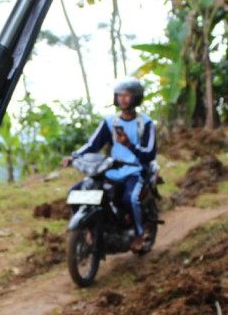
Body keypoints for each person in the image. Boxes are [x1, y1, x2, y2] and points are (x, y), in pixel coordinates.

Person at [62, 77, 157, 253]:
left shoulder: (145, 123)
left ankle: (138, 235)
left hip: (134, 171)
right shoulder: (110, 122)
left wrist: (129, 145)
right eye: (119, 95)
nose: (122, 99)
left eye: (127, 95)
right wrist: (73, 156)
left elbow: (150, 153)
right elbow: (93, 145)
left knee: (131, 199)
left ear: (135, 97)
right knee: (75, 192)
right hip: (112, 170)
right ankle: (88, 231)